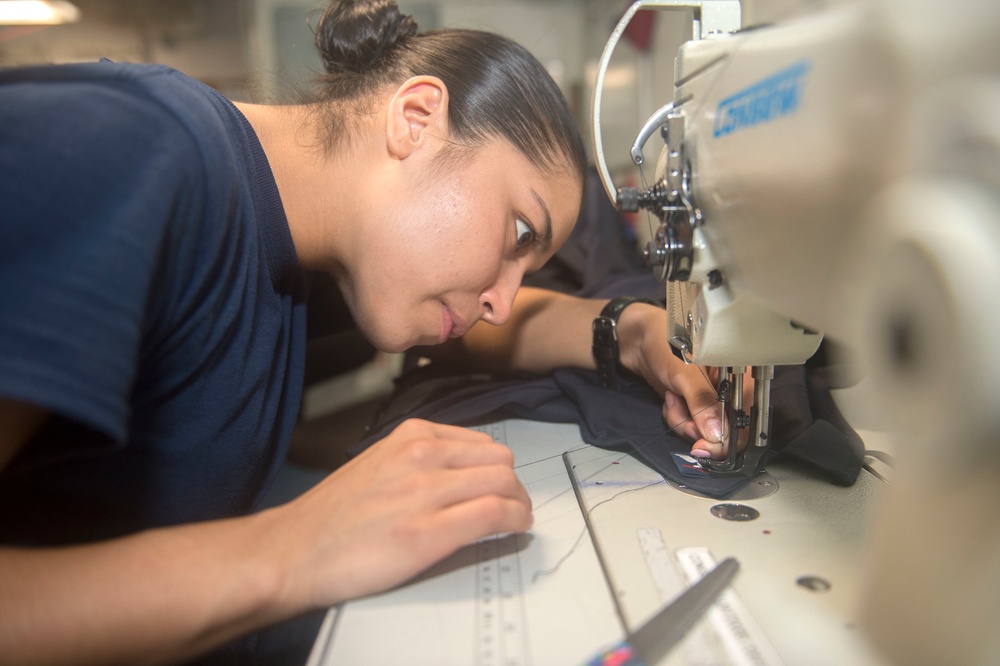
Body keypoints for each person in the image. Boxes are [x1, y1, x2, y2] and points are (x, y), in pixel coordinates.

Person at [0, 0, 737, 663]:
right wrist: (294, 548)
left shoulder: (300, 242)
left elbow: (490, 333)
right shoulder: (128, 153)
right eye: (517, 231)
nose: (504, 303)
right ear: (415, 119)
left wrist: (632, 330)